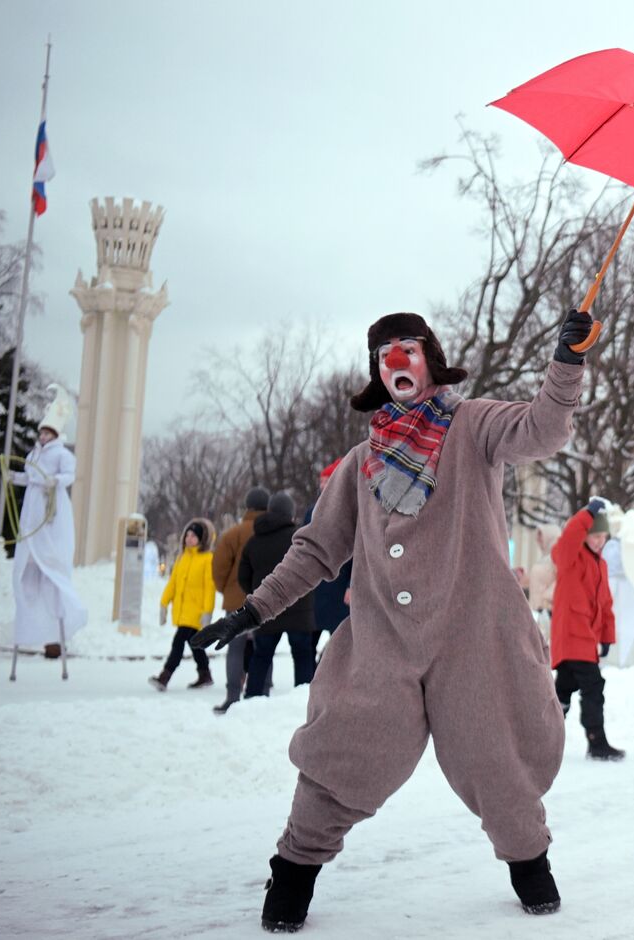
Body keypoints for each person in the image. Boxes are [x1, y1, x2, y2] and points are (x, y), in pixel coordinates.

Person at [192, 310, 591, 930]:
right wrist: (253, 609)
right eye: (384, 354)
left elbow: (541, 429)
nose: (397, 360)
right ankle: (293, 873)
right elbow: (317, 550)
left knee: (499, 761)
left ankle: (530, 867)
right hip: (384, 644)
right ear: (378, 373)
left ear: (430, 358)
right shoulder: (361, 461)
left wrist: (566, 364)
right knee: (343, 753)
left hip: (474, 638)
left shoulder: (474, 425)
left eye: (408, 348)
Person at [10, 385, 87, 660]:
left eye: (47, 433)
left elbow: (69, 475)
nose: (43, 436)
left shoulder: (61, 455)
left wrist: (55, 482)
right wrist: (13, 477)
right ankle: (35, 630)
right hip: (31, 514)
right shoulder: (34, 454)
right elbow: (29, 476)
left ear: (54, 435)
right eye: (41, 432)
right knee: (29, 576)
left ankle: (56, 635)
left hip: (50, 513)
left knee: (52, 575)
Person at [551, 498, 624, 760]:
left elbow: (605, 603)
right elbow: (570, 536)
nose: (599, 541)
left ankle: (542, 741)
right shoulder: (570, 557)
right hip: (572, 634)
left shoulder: (601, 565)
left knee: (563, 691)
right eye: (594, 535)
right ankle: (597, 742)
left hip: (585, 638)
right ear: (585, 534)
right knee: (593, 686)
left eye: (603, 536)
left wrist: (606, 637)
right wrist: (587, 513)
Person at [240, 491, 318, 696]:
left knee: (262, 655)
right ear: (291, 513)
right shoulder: (299, 539)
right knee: (302, 655)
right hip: (299, 608)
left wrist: (258, 593)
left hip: (267, 609)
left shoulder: (254, 541)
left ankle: (252, 697)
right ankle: (303, 698)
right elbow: (312, 570)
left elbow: (242, 575)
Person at [211, 486, 270, 714]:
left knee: (234, 649)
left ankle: (232, 696)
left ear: (247, 506)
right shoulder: (271, 531)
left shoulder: (233, 534)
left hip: (236, 601)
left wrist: (225, 589)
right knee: (262, 648)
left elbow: (219, 568)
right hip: (267, 600)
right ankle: (263, 692)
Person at [151, 519, 216, 691]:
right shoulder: (182, 557)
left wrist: (207, 612)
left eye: (193, 536)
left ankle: (165, 676)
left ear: (202, 539)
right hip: (182, 611)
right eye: (187, 535)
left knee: (178, 643)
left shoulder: (207, 559)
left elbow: (210, 588)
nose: (189, 538)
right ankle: (205, 674)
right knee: (195, 644)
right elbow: (173, 583)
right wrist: (164, 603)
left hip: (195, 612)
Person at [305, 461, 353, 658]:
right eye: (321, 481)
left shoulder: (351, 508)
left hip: (340, 584)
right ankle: (309, 682)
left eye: (327, 481)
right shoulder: (312, 511)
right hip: (316, 584)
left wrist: (352, 585)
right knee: (309, 639)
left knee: (341, 639)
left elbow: (360, 551)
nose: (323, 485)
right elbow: (303, 546)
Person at [527, 523, 560, 644]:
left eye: (542, 536)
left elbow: (561, 580)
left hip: (549, 611)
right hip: (538, 612)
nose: (539, 540)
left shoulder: (557, 556)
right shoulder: (545, 557)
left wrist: (546, 597)